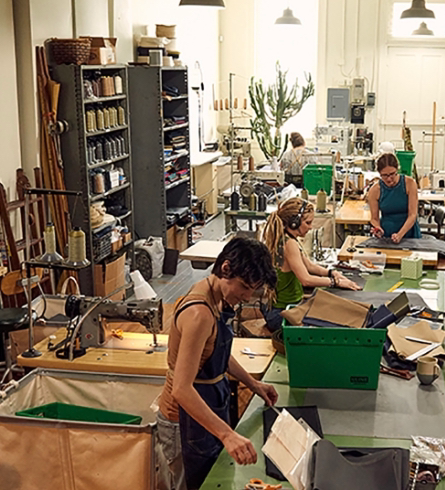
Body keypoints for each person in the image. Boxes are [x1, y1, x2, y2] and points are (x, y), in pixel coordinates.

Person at [157, 237, 279, 490]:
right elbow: (181, 389)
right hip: (183, 420)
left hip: (208, 406)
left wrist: (253, 384)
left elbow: (217, 353)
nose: (246, 296)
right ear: (225, 268)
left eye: (252, 290)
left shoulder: (217, 298)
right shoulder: (199, 313)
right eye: (244, 287)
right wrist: (227, 434)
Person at [261, 197, 361, 331]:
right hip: (282, 314)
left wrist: (332, 273)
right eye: (307, 223)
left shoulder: (287, 238)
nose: (310, 227)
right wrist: (335, 282)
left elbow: (309, 266)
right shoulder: (289, 244)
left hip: (282, 309)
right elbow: (306, 280)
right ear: (294, 223)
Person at [367, 152, 420, 243]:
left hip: (409, 234)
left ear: (397, 169)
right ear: (379, 173)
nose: (389, 179)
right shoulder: (375, 190)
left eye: (392, 174)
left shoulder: (410, 184)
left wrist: (400, 234)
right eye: (385, 175)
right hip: (387, 234)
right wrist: (377, 228)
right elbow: (374, 218)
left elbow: (412, 215)